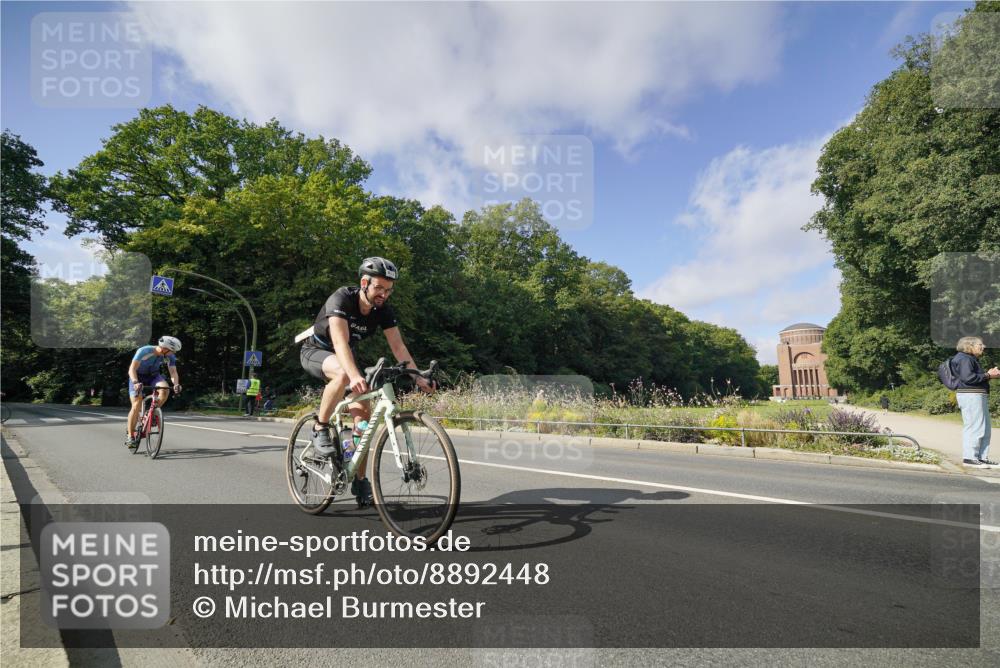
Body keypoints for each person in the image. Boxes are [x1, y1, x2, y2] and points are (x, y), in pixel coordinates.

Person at [299, 257, 435, 505]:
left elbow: (398, 346)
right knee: (341, 374)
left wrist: (418, 377)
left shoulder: (383, 310)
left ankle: (360, 481)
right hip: (316, 351)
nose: (384, 294)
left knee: (364, 419)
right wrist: (354, 375)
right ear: (364, 282)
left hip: (344, 356)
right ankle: (320, 426)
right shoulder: (341, 299)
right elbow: (339, 343)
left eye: (389, 289)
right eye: (379, 288)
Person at [952, 336, 1000, 468]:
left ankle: (981, 458)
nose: (983, 346)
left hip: (976, 395)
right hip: (970, 395)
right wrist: (988, 375)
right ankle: (969, 458)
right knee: (975, 427)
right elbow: (968, 378)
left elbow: (972, 378)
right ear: (969, 346)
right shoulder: (964, 358)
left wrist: (988, 375)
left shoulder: (969, 359)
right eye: (980, 344)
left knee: (984, 428)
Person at [126, 336, 182, 448]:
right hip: (137, 377)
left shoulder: (169, 356)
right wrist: (136, 382)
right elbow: (132, 369)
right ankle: (131, 436)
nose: (173, 353)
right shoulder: (144, 351)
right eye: (172, 350)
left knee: (165, 390)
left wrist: (176, 384)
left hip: (154, 377)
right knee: (137, 404)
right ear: (164, 348)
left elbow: (173, 372)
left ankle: (151, 413)